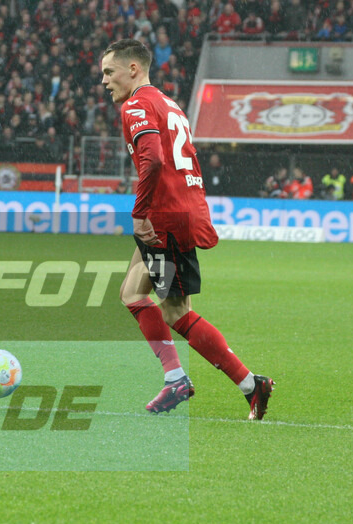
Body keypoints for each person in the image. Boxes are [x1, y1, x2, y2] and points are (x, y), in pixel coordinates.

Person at [100, 38, 274, 419]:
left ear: (133, 69)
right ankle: (181, 378)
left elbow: (155, 160)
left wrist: (140, 211)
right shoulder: (167, 102)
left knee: (176, 312)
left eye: (109, 72)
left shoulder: (137, 105)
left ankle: (244, 384)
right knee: (132, 293)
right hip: (178, 210)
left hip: (164, 218)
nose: (104, 81)